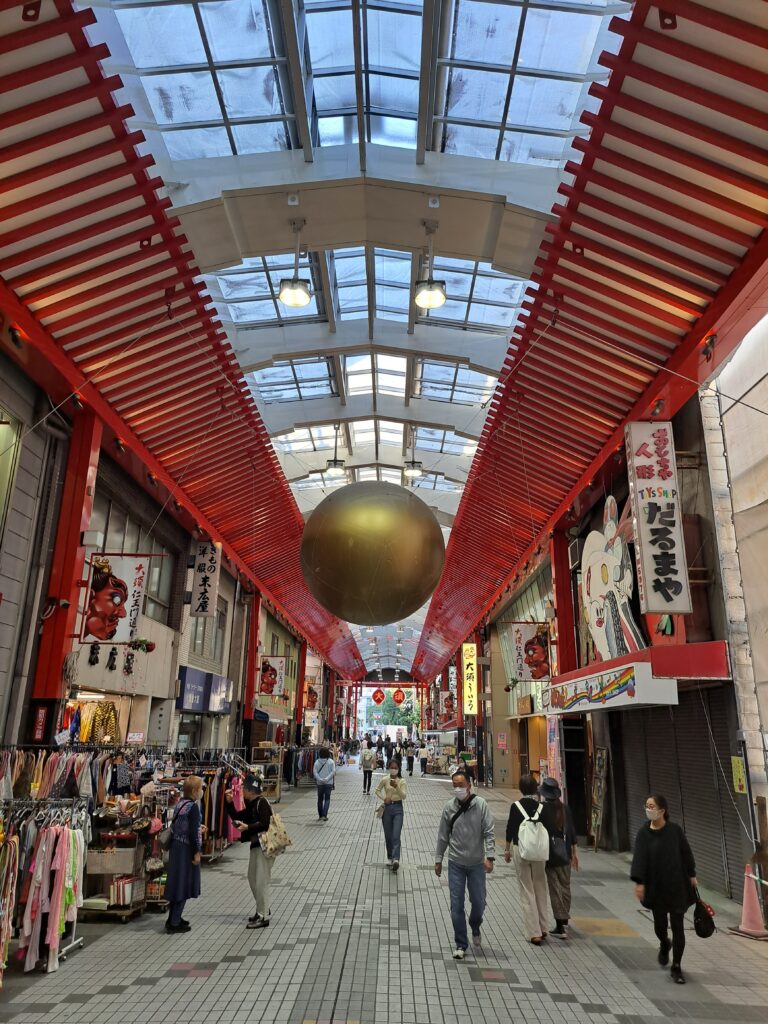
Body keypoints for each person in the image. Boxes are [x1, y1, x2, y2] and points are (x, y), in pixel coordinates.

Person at [631, 793, 698, 984]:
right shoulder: (644, 833)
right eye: (647, 806)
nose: (648, 809)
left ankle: (676, 966)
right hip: (655, 888)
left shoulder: (675, 831)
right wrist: (639, 882)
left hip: (677, 885)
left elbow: (686, 853)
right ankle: (664, 942)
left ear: (662, 810)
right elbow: (639, 859)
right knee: (660, 925)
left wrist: (692, 875)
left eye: (651, 806)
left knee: (678, 926)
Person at [435, 768, 495, 959]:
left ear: (469, 784)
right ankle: (461, 943)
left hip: (477, 863)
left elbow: (489, 832)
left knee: (478, 902)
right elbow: (443, 836)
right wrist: (438, 859)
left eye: (461, 785)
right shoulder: (449, 807)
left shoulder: (480, 805)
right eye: (455, 786)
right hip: (456, 863)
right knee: (456, 904)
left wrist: (490, 857)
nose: (458, 789)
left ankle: (475, 925)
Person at [504, 774, 550, 945]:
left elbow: (510, 828)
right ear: (535, 788)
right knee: (540, 887)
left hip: (521, 850)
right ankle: (544, 928)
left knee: (526, 889)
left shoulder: (516, 807)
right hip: (539, 853)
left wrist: (507, 849)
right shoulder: (541, 807)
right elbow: (549, 829)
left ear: (521, 788)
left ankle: (534, 932)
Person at [225, 774, 273, 928]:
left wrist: (248, 827)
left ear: (251, 790)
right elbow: (239, 816)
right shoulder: (252, 803)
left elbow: (265, 824)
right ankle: (262, 908)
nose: (242, 791)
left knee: (260, 881)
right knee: (253, 878)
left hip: (264, 847)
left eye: (243, 788)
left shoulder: (262, 803)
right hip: (256, 845)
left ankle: (263, 915)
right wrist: (230, 804)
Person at [539, 777, 579, 939]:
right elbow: (572, 832)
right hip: (565, 854)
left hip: (550, 855)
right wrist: (574, 854)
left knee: (555, 890)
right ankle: (565, 921)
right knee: (565, 887)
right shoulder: (565, 808)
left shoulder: (541, 809)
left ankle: (560, 926)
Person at [164, 775, 204, 933]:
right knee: (184, 884)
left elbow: (185, 826)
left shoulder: (180, 804)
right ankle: (174, 923)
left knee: (176, 883)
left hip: (176, 847)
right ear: (194, 791)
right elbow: (193, 833)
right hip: (186, 849)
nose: (201, 792)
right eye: (200, 789)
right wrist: (196, 853)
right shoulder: (193, 807)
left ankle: (173, 918)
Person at [375, 758, 407, 871]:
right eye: (391, 767)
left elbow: (403, 796)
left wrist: (396, 786)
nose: (393, 770)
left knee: (396, 835)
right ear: (389, 768)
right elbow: (377, 790)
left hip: (398, 808)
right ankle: (390, 856)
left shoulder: (402, 781)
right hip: (387, 809)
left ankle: (396, 859)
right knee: (388, 835)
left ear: (399, 769)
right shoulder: (384, 779)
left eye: (395, 768)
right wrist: (384, 798)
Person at [313, 747, 336, 821]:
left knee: (320, 799)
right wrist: (327, 779)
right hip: (328, 783)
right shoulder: (331, 762)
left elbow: (315, 772)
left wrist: (320, 779)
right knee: (327, 799)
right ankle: (324, 815)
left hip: (320, 784)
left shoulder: (317, 762)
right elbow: (333, 772)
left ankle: (320, 815)